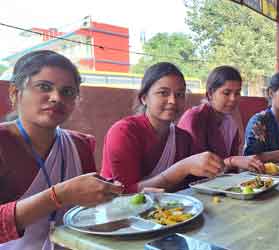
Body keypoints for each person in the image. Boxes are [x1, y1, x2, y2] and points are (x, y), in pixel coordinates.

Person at [0, 50, 123, 249]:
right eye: (44, 87)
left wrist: (120, 200)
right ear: (15, 92)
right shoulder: (3, 144)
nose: (56, 97)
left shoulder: (80, 144)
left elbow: (89, 211)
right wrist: (58, 196)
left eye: (67, 91)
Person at [101, 62, 224, 193]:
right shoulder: (124, 132)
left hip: (169, 211)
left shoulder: (183, 138)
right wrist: (183, 167)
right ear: (144, 98)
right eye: (163, 93)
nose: (173, 101)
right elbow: (124, 193)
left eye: (179, 94)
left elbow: (191, 183)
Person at [178, 65, 264, 173]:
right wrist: (232, 161)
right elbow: (195, 168)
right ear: (209, 94)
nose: (233, 99)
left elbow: (232, 167)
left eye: (237, 93)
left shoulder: (231, 123)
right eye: (226, 93)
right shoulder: (194, 119)